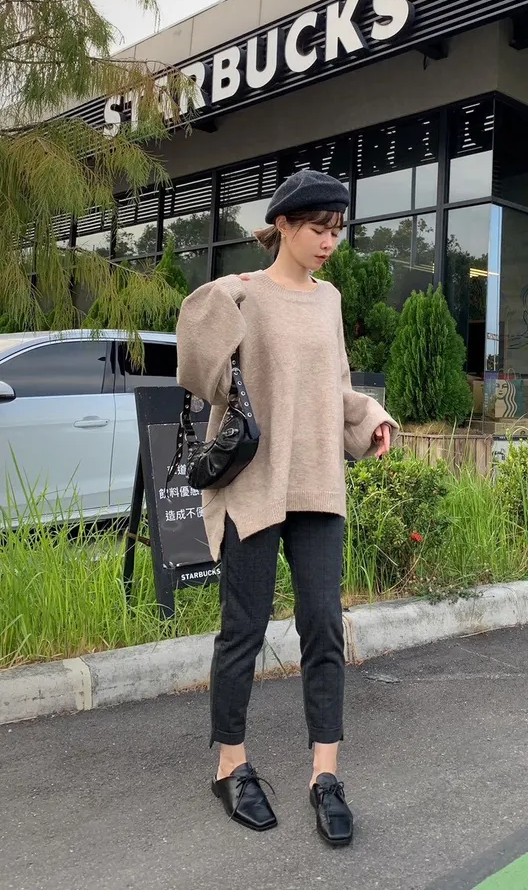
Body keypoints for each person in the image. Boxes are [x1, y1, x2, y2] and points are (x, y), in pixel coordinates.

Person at [175, 169, 398, 848]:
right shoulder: (245, 294)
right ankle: (230, 765)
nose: (329, 241)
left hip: (317, 482)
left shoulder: (329, 300)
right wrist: (222, 297)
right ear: (283, 226)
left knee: (324, 625)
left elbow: (335, 386)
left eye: (337, 230)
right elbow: (199, 371)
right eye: (317, 228)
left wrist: (370, 419)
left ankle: (325, 775)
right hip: (253, 484)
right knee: (242, 628)